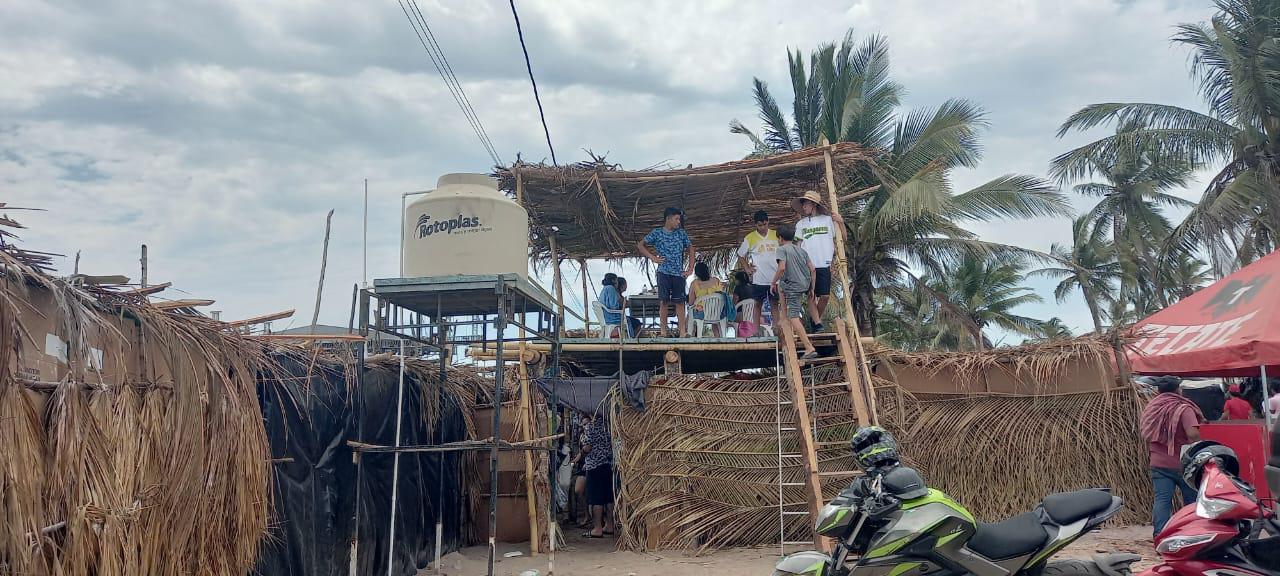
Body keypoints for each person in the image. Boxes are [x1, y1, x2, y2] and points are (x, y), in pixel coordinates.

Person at [1139, 375, 1205, 536]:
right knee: (1191, 501)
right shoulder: (1183, 408)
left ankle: (1160, 534)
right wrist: (1201, 448)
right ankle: (1191, 533)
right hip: (1183, 464)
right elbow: (1193, 434)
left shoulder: (1152, 407)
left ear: (1159, 391)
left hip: (1158, 463)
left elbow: (1146, 432)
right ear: (1178, 390)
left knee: (1162, 500)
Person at [790, 190, 844, 333]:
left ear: (813, 204)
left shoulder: (828, 220)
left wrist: (841, 222)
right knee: (811, 295)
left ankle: (814, 320)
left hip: (824, 262)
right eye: (802, 204)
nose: (803, 207)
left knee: (825, 296)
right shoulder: (801, 224)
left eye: (806, 204)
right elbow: (798, 244)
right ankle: (818, 323)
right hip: (808, 264)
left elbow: (842, 238)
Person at [637, 207, 694, 337]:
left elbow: (691, 249)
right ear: (668, 219)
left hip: (678, 273)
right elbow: (640, 245)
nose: (679, 222)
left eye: (679, 219)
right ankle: (663, 331)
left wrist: (690, 269)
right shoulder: (657, 233)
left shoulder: (681, 233)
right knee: (664, 301)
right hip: (663, 272)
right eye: (676, 219)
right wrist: (653, 257)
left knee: (680, 302)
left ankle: (683, 332)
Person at [772, 224, 818, 359]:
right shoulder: (801, 251)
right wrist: (812, 288)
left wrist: (772, 282)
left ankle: (809, 347)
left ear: (780, 238)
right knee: (781, 286)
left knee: (794, 317)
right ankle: (783, 317)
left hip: (793, 287)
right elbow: (813, 269)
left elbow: (781, 268)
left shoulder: (781, 249)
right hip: (804, 284)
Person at [736, 210, 779, 330]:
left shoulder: (776, 235)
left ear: (768, 222)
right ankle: (755, 330)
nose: (763, 227)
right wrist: (747, 268)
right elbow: (740, 254)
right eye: (760, 225)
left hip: (775, 278)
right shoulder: (750, 238)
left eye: (765, 224)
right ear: (756, 224)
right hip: (759, 278)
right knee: (757, 304)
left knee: (774, 303)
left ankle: (777, 328)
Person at [580, 410, 615, 538]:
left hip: (594, 466)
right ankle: (610, 525)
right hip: (607, 465)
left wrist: (582, 452)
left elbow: (587, 447)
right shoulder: (608, 425)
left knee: (596, 498)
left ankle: (597, 528)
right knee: (609, 497)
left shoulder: (590, 427)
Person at [688, 262, 724, 335]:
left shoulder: (694, 283)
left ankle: (690, 335)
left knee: (689, 315)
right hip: (717, 313)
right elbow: (721, 295)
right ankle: (718, 337)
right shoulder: (716, 280)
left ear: (697, 273)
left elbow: (691, 303)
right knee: (716, 323)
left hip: (702, 314)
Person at [731, 270, 758, 337]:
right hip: (754, 316)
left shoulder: (738, 288)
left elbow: (734, 301)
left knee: (727, 316)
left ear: (738, 280)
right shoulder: (753, 287)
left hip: (741, 316)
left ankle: (736, 336)